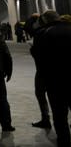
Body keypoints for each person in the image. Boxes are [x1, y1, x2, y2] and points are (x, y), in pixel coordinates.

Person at [32, 10, 71, 147]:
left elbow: (39, 58)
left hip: (55, 81)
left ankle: (64, 142)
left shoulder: (42, 33)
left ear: (45, 20)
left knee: (60, 116)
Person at [27, 11, 53, 129]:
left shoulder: (41, 33)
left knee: (41, 94)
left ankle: (45, 119)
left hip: (44, 71)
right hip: (64, 70)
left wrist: (32, 49)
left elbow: (36, 54)